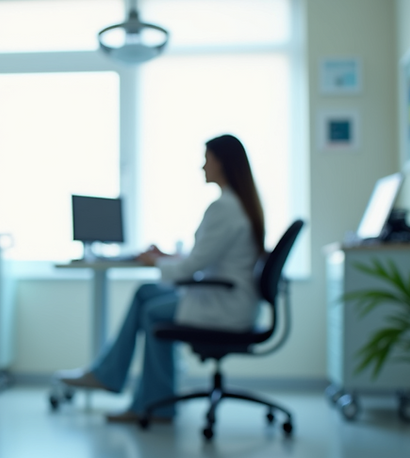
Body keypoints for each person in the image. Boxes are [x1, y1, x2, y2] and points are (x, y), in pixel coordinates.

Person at [56, 134, 266, 423]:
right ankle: (110, 375)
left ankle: (150, 402)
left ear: (221, 163)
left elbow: (193, 266)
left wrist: (155, 261)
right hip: (224, 296)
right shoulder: (235, 205)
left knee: (153, 312)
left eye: (206, 159)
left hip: (224, 306)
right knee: (146, 292)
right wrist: (166, 256)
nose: (202, 166)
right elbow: (204, 257)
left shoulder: (224, 208)